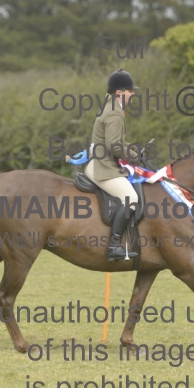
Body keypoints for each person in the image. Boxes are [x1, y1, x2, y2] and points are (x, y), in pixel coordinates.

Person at [85, 69, 140, 262]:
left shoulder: (110, 107)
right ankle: (114, 246)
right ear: (119, 92)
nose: (132, 94)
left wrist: (134, 151)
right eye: (130, 91)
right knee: (131, 198)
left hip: (102, 162)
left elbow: (116, 142)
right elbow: (114, 146)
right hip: (103, 167)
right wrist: (133, 157)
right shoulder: (115, 113)